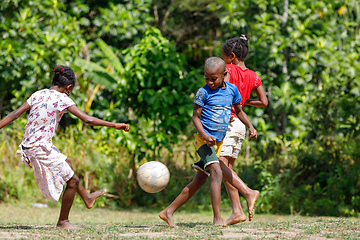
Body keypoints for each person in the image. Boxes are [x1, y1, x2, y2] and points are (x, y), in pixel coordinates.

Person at [0, 66, 130, 230]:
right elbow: (87, 119)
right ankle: (63, 222)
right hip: (39, 148)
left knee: (66, 162)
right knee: (73, 181)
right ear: (69, 88)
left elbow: (14, 114)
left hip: (30, 145)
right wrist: (115, 125)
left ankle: (87, 198)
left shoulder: (38, 94)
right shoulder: (62, 98)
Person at [159, 57, 258, 228]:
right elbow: (195, 117)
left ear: (224, 75)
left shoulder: (232, 90)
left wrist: (250, 126)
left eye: (214, 78)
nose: (210, 82)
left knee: (200, 180)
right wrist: (204, 136)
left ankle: (168, 212)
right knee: (217, 172)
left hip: (218, 142)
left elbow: (239, 111)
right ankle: (218, 218)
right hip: (203, 141)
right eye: (207, 78)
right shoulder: (202, 92)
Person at [219, 35, 268, 226]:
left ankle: (248, 192)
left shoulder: (229, 69)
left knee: (218, 163)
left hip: (229, 120)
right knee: (227, 169)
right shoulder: (254, 76)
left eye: (223, 58)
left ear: (231, 56)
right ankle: (237, 212)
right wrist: (245, 100)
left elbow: (224, 91)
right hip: (240, 122)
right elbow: (264, 102)